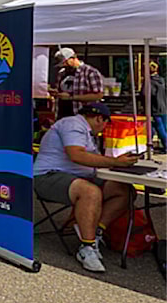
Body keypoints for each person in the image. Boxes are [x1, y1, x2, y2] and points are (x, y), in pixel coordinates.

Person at [33, 102, 136, 273]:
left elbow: (92, 160)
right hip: (48, 176)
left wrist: (117, 163)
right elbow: (76, 155)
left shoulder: (85, 132)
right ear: (99, 118)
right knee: (90, 192)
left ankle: (95, 232)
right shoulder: (73, 124)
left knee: (124, 190)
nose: (104, 128)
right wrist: (115, 162)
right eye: (105, 123)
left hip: (75, 176)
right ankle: (86, 248)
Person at [49, 47, 103, 117]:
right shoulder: (61, 73)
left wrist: (71, 97)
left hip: (81, 115)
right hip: (62, 115)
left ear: (73, 57)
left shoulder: (90, 72)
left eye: (65, 63)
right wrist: (55, 92)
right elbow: (61, 91)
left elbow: (98, 95)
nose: (63, 66)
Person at [144, 61, 166, 154]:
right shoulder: (162, 80)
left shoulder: (149, 81)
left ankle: (165, 145)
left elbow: (146, 94)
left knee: (159, 127)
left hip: (154, 107)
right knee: (163, 127)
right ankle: (151, 145)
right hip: (164, 106)